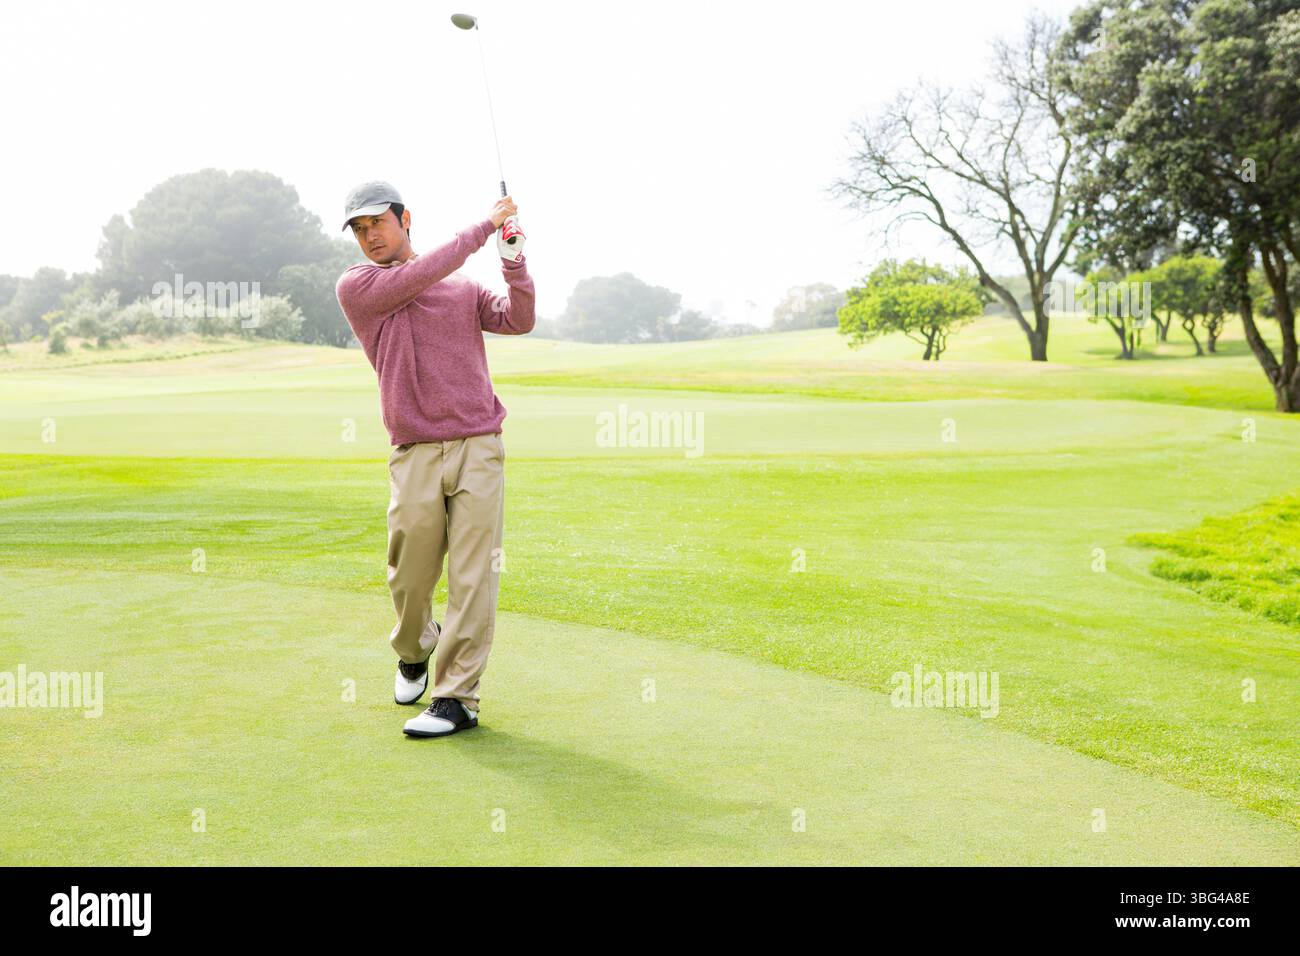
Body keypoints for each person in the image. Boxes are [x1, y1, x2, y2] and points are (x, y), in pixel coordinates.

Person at [334, 181, 535, 738]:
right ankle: (415, 647)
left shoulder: (464, 289)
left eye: (377, 222)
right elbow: (417, 277)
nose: (369, 235)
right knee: (410, 576)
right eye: (359, 228)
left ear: (405, 219)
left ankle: (456, 699)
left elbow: (519, 320)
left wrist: (513, 261)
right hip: (415, 449)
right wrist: (483, 226)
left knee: (474, 578)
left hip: (478, 446)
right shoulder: (360, 286)